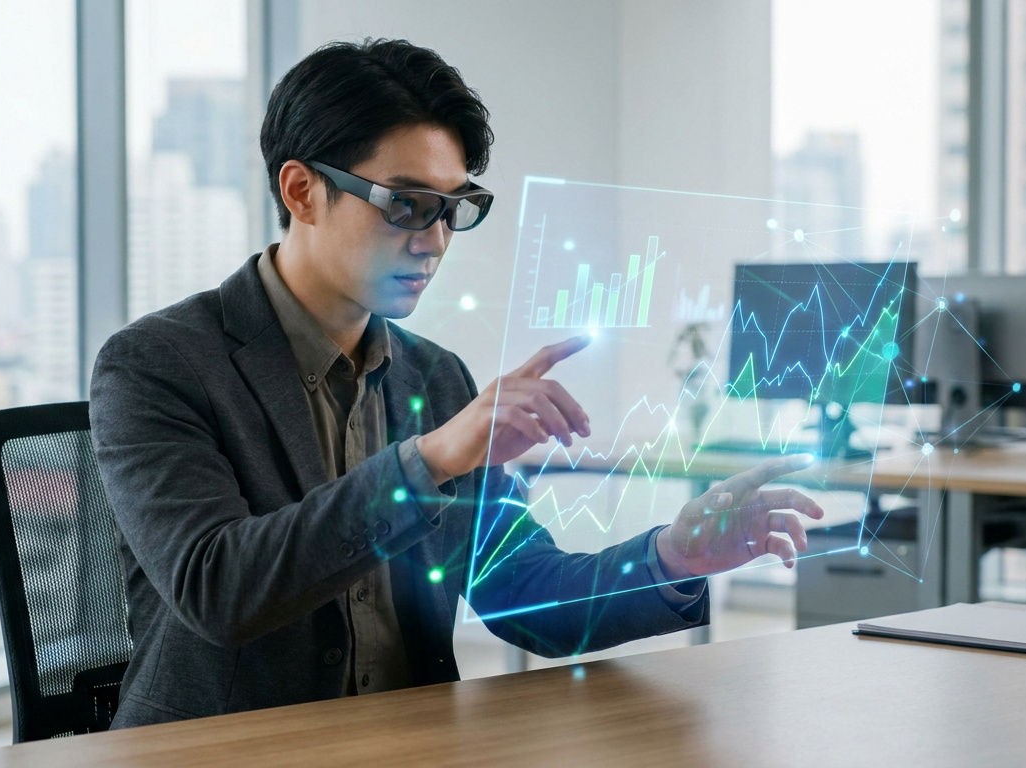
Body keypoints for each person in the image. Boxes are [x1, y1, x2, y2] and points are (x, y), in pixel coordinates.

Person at [90, 38, 824, 728]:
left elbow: (522, 594)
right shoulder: (158, 364)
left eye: (452, 209)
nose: (435, 239)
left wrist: (671, 559)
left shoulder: (433, 377)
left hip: (413, 744)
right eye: (406, 204)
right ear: (302, 190)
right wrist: (431, 461)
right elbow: (218, 590)